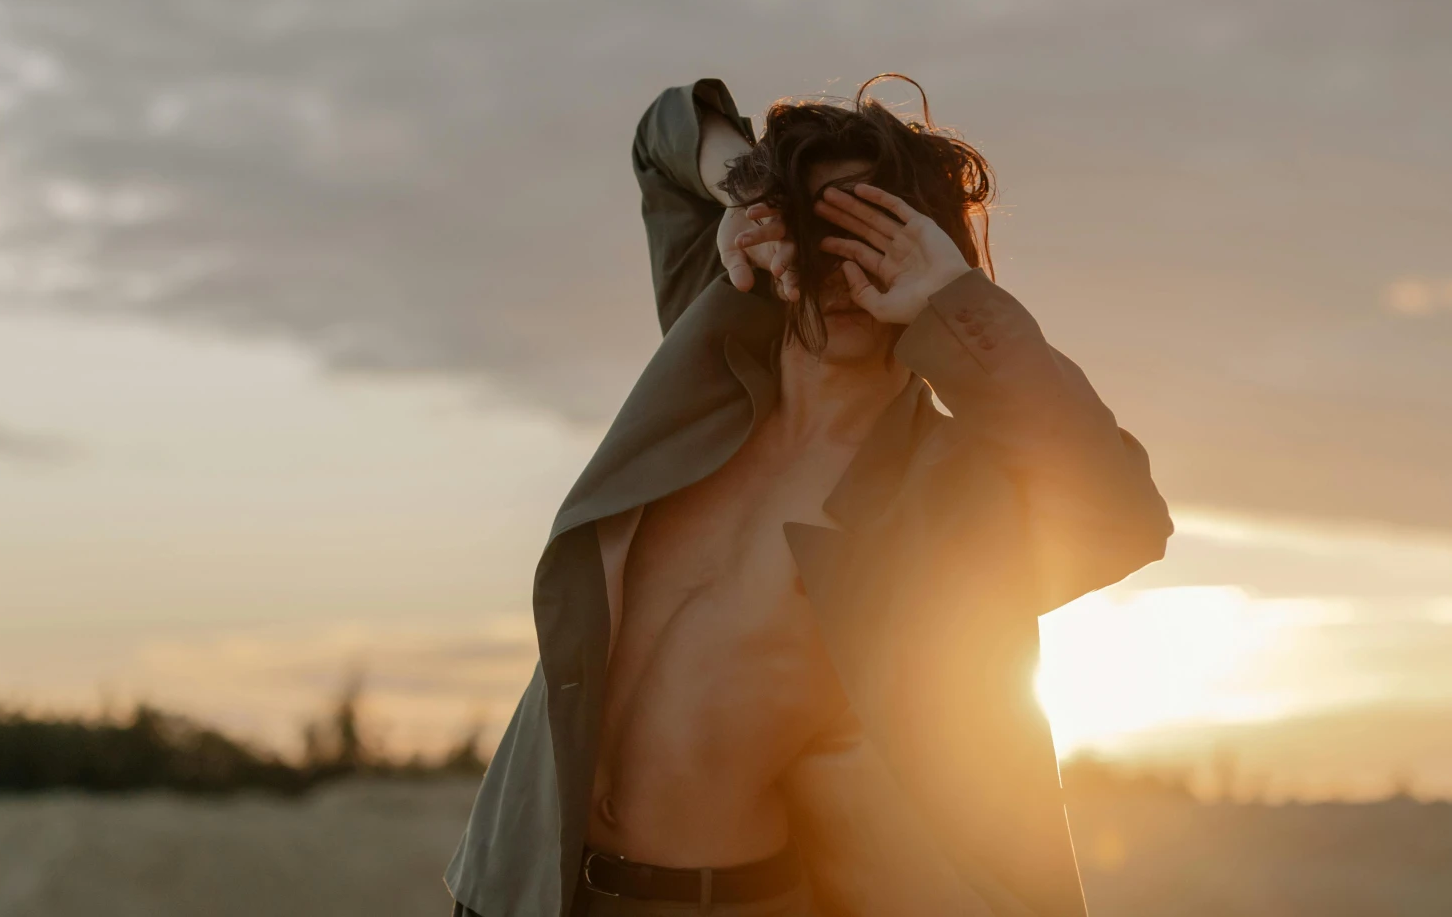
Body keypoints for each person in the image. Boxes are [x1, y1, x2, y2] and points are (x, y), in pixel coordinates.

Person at [447, 77, 1171, 917]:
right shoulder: (710, 348)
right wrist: (747, 193)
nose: (846, 267)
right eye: (823, 228)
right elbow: (664, 134)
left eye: (882, 235)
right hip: (523, 887)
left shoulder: (941, 487)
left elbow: (1122, 515)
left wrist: (956, 303)